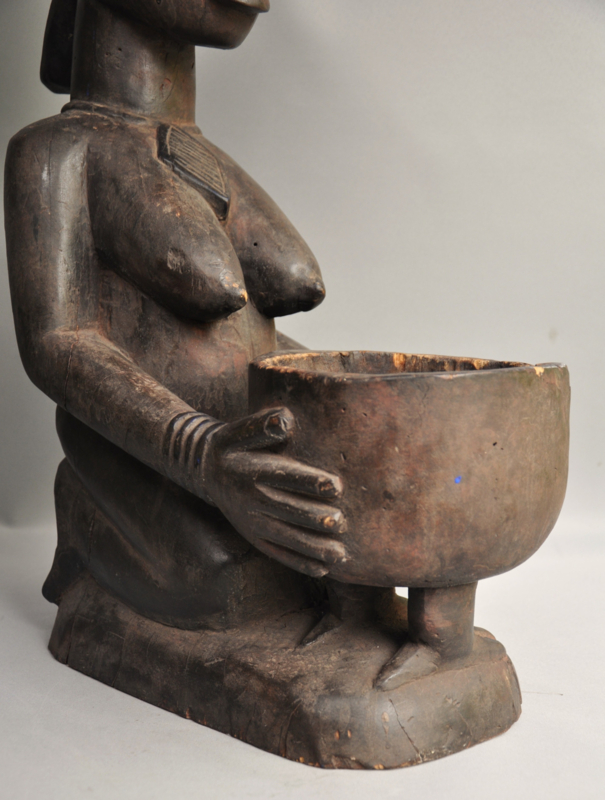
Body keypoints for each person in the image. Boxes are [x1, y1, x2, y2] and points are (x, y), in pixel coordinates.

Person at [5, 0, 347, 630]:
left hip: (248, 444)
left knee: (351, 543)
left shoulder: (199, 154)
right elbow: (58, 342)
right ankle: (89, 512)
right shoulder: (56, 152)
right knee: (231, 583)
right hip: (150, 456)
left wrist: (347, 398)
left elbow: (260, 335)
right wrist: (202, 453)